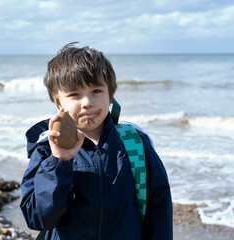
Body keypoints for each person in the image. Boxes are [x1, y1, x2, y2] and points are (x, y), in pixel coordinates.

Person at [20, 42, 173, 240]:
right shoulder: (47, 150)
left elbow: (158, 209)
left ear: (110, 95)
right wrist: (60, 162)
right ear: (58, 102)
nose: (87, 102)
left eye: (97, 91)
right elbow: (39, 219)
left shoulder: (134, 143)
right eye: (74, 94)